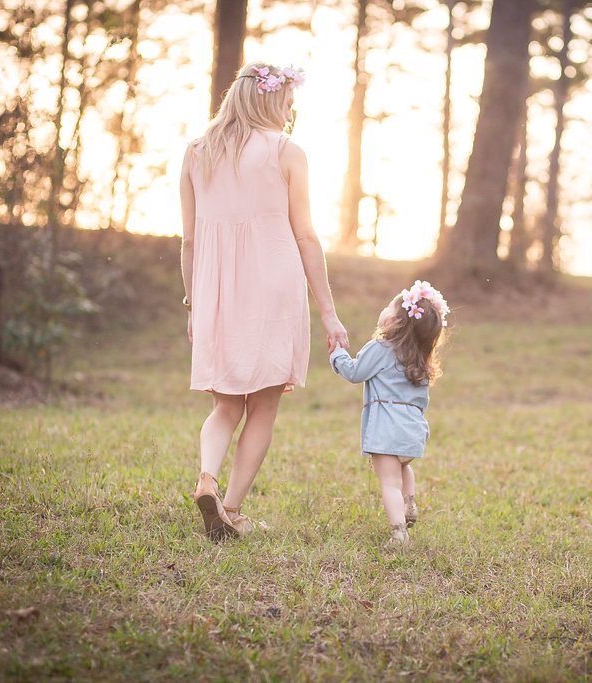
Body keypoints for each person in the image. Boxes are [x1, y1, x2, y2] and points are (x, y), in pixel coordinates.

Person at [179, 62, 349, 541]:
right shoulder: (287, 152)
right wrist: (329, 312)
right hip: (274, 285)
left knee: (226, 406)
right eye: (288, 104)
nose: (290, 115)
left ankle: (207, 479)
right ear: (271, 101)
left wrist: (195, 303)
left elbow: (189, 242)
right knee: (264, 408)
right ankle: (230, 510)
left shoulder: (196, 153)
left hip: (217, 291)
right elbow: (307, 236)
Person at [329, 280, 449, 547]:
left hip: (386, 429)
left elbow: (354, 372)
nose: (383, 310)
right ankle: (410, 503)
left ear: (396, 321)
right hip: (413, 430)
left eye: (388, 307)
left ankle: (398, 533)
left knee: (389, 483)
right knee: (403, 467)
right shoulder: (420, 358)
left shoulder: (381, 348)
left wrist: (337, 354)